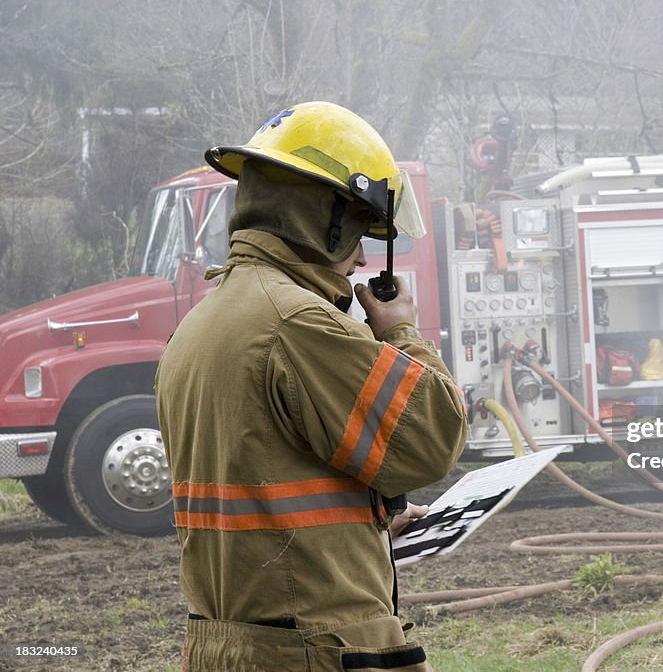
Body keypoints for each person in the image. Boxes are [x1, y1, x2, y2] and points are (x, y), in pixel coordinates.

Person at [155, 101, 467, 671]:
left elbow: (265, 487)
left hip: (232, 646)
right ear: (328, 220)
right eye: (358, 233)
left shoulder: (200, 325)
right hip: (314, 649)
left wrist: (362, 523)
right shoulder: (297, 322)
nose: (360, 260)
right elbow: (432, 437)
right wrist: (399, 329)